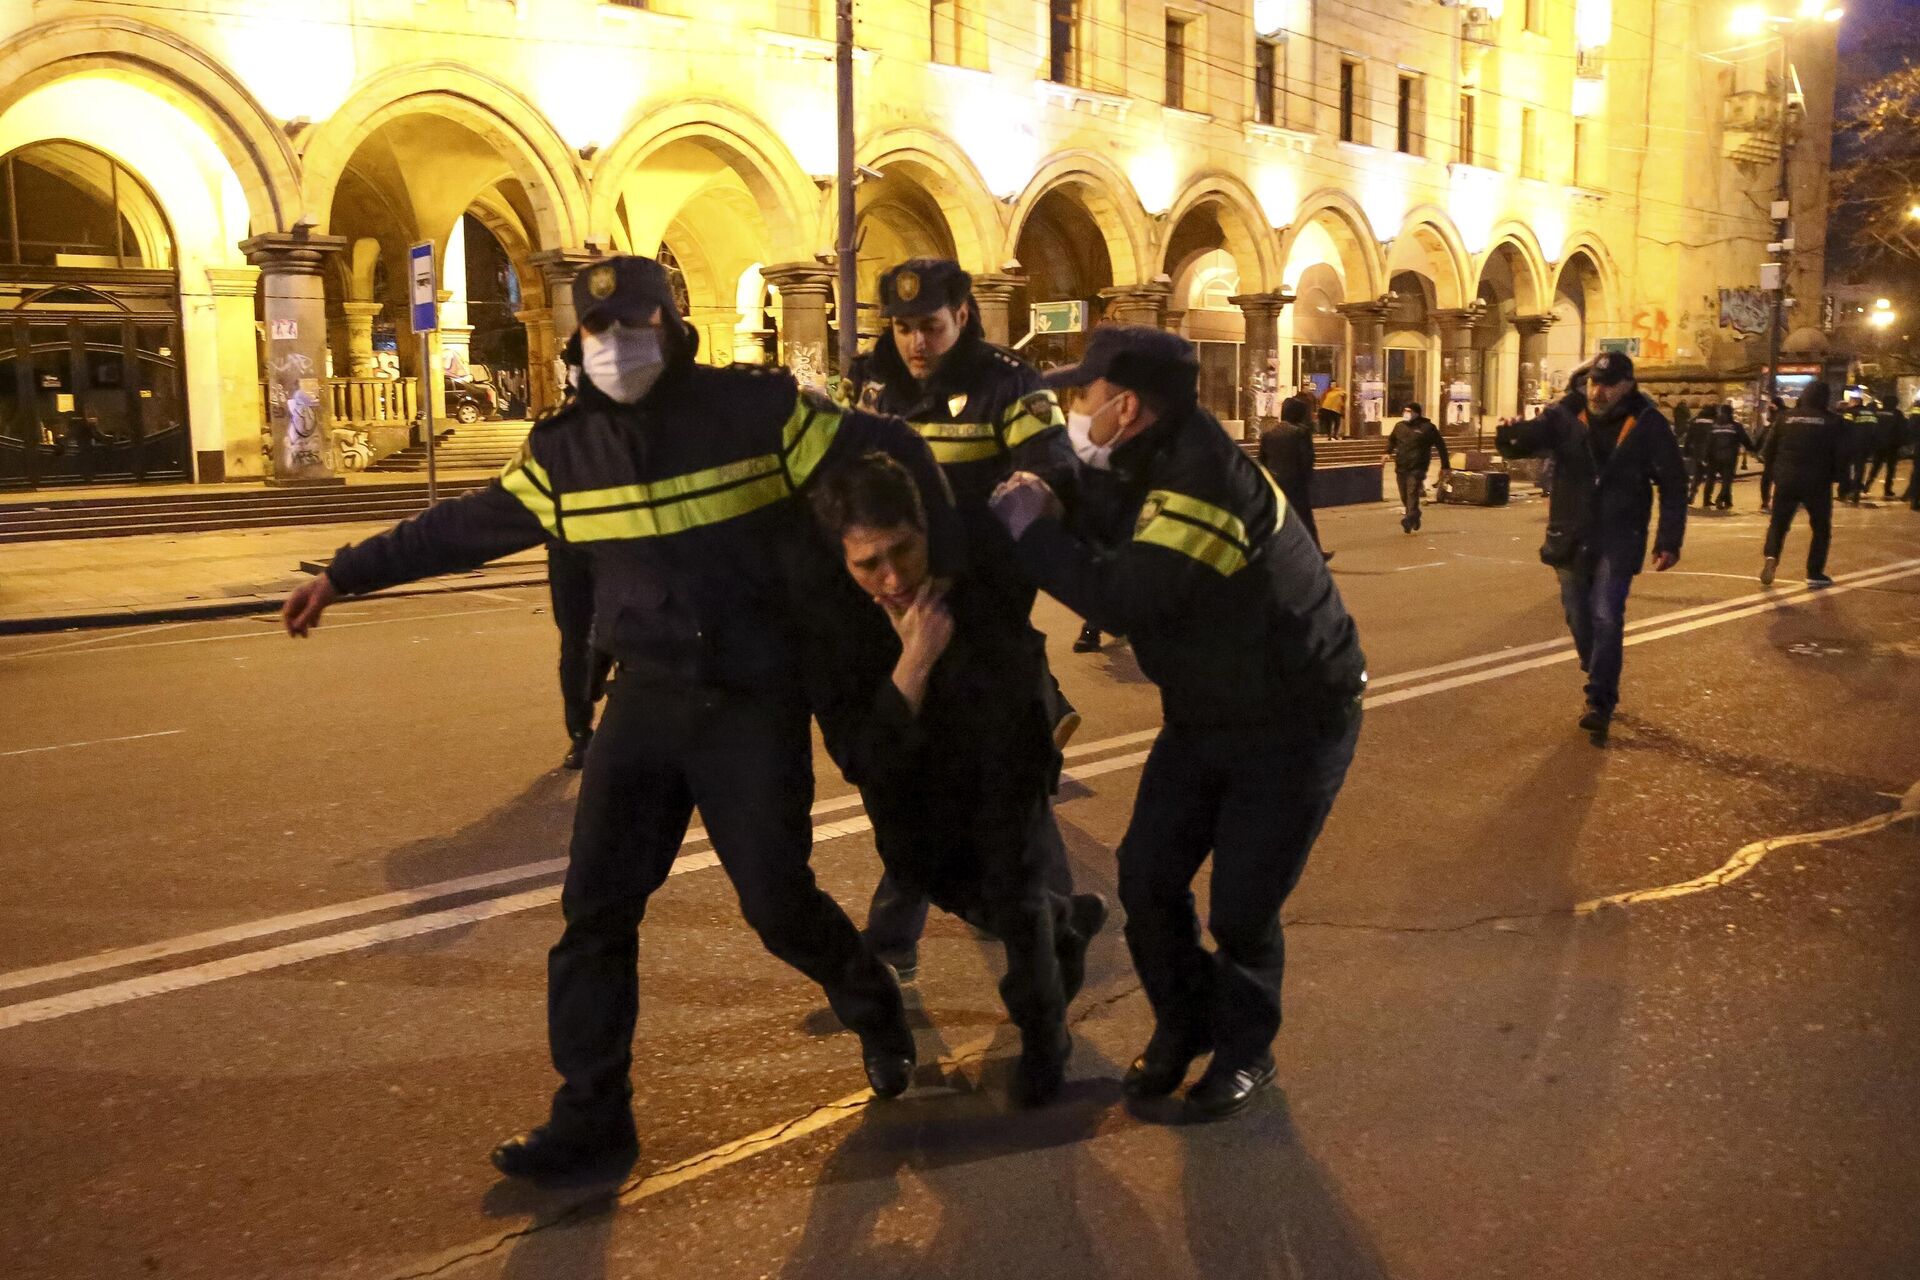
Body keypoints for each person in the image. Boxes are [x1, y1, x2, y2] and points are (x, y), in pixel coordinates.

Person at [281, 254, 957, 1183]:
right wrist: (344, 572)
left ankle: (871, 1004)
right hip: (642, 699)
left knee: (775, 903)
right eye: (597, 332)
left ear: (672, 326)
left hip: (748, 700)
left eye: (631, 326)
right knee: (595, 912)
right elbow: (459, 528)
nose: (614, 346)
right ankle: (593, 1117)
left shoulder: (754, 413)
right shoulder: (565, 451)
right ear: (576, 342)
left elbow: (894, 449)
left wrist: (938, 559)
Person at [989, 326, 1367, 1119]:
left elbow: (1125, 597)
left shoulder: (1202, 484)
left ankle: (1245, 1049)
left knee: (1241, 908)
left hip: (1295, 717)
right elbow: (1084, 483)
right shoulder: (1145, 455)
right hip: (1208, 710)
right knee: (1147, 877)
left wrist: (1036, 531)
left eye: (1083, 397)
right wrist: (1042, 479)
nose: (1075, 412)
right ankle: (1185, 1021)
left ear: (1124, 407)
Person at [793, 453, 1109, 1106]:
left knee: (1014, 905)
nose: (890, 576)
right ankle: (1065, 922)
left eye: (902, 552)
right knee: (941, 882)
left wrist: (1044, 495)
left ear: (924, 529)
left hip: (1000, 762)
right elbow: (859, 755)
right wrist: (914, 662)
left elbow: (1056, 487)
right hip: (910, 793)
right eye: (867, 563)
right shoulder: (833, 624)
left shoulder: (979, 565)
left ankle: (1046, 1038)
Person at [838, 257, 1086, 980]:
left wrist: (1032, 487)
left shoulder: (1010, 381)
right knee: (909, 779)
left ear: (965, 316)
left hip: (981, 607)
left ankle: (1056, 921)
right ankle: (892, 937)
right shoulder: (868, 381)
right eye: (904, 328)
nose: (916, 343)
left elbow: (1056, 464)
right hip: (893, 606)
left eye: (931, 327)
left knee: (1011, 778)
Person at [1495, 350, 1687, 741]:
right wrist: (1508, 434)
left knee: (1605, 615)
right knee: (1577, 615)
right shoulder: (1566, 413)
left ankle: (1600, 699)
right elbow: (1525, 442)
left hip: (1620, 537)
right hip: (1571, 533)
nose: (1597, 392)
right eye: (1593, 383)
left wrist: (1668, 540)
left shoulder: (1648, 423)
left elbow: (1674, 484)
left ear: (1627, 387)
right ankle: (1597, 664)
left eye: (1608, 385)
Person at [1759, 381, 1849, 588]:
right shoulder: (1834, 422)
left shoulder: (1784, 418)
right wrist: (1840, 479)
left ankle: (1771, 556)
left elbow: (1768, 451)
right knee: (1820, 528)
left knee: (1778, 524)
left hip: (1787, 480)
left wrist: (1776, 475)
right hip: (1817, 482)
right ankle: (1814, 572)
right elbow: (1842, 455)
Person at [1259, 393, 1324, 556]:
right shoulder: (1300, 432)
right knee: (1305, 519)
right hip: (1295, 483)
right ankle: (1315, 552)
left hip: (1275, 481)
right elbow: (1306, 459)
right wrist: (1306, 478)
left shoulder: (1268, 433)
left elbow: (1262, 460)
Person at [1384, 402, 1451, 534]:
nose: (1406, 413)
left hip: (1418, 466)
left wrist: (1445, 466)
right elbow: (1392, 440)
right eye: (1405, 410)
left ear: (1416, 413)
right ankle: (1415, 515)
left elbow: (1441, 446)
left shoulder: (1428, 428)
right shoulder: (1399, 426)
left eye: (1409, 411)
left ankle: (1408, 519)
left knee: (1412, 492)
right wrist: (1387, 452)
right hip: (1401, 465)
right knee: (1404, 495)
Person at [1704, 403, 1757, 510]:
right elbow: (1745, 440)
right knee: (1727, 480)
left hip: (1714, 456)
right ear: (1731, 413)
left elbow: (1708, 442)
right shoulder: (1736, 426)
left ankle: (1707, 499)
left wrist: (1706, 456)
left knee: (1710, 478)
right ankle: (1721, 499)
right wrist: (1753, 449)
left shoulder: (1714, 425)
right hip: (1729, 457)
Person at [1863, 398, 1906, 500]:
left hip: (1879, 445)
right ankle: (1887, 489)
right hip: (1892, 446)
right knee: (1891, 469)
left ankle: (1867, 486)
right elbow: (1902, 429)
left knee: (1875, 467)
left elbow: (1872, 428)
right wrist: (1901, 443)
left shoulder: (1878, 413)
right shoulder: (1897, 414)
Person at [1683, 404, 1716, 507]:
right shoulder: (1715, 422)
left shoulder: (1695, 422)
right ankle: (1707, 499)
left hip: (1697, 452)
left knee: (1697, 475)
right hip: (1710, 453)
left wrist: (1686, 450)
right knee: (1710, 476)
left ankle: (1691, 495)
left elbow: (1689, 437)